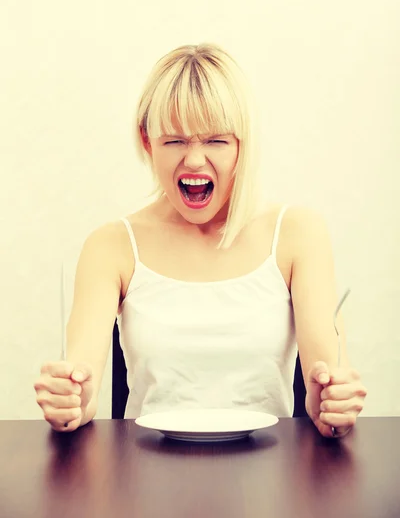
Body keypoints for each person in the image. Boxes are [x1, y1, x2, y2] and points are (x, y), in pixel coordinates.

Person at [34, 43, 367, 437]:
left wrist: (333, 405)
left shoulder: (298, 233)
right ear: (147, 142)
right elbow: (82, 388)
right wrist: (70, 401)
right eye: (174, 141)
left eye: (216, 141)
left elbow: (326, 392)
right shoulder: (110, 246)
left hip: (268, 477)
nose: (193, 160)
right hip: (145, 474)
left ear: (243, 146)